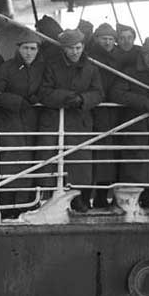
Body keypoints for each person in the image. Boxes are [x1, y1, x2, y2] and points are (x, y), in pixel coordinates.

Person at [38, 28, 104, 213]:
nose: (75, 52)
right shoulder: (51, 66)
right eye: (70, 48)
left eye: (78, 47)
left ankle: (78, 199)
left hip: (79, 122)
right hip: (54, 122)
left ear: (83, 46)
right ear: (63, 49)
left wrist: (83, 100)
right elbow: (43, 92)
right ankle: (50, 199)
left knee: (80, 164)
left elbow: (99, 93)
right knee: (51, 161)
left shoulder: (91, 69)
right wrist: (68, 97)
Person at [109, 37, 149, 207]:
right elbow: (116, 93)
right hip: (136, 125)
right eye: (146, 55)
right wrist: (141, 102)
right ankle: (139, 197)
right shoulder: (130, 72)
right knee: (137, 163)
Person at [0, 28, 46, 216]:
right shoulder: (7, 68)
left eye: (33, 49)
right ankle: (6, 207)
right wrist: (16, 101)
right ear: (18, 48)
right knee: (10, 163)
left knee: (30, 163)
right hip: (9, 122)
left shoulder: (41, 68)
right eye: (26, 48)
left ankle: (26, 206)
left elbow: (47, 87)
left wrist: (37, 96)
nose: (29, 52)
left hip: (31, 123)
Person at [85, 22, 122, 208]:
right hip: (93, 111)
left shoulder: (117, 58)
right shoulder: (90, 57)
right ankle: (87, 196)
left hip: (111, 113)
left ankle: (102, 195)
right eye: (104, 38)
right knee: (92, 156)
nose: (108, 42)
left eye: (111, 39)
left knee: (108, 157)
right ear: (97, 39)